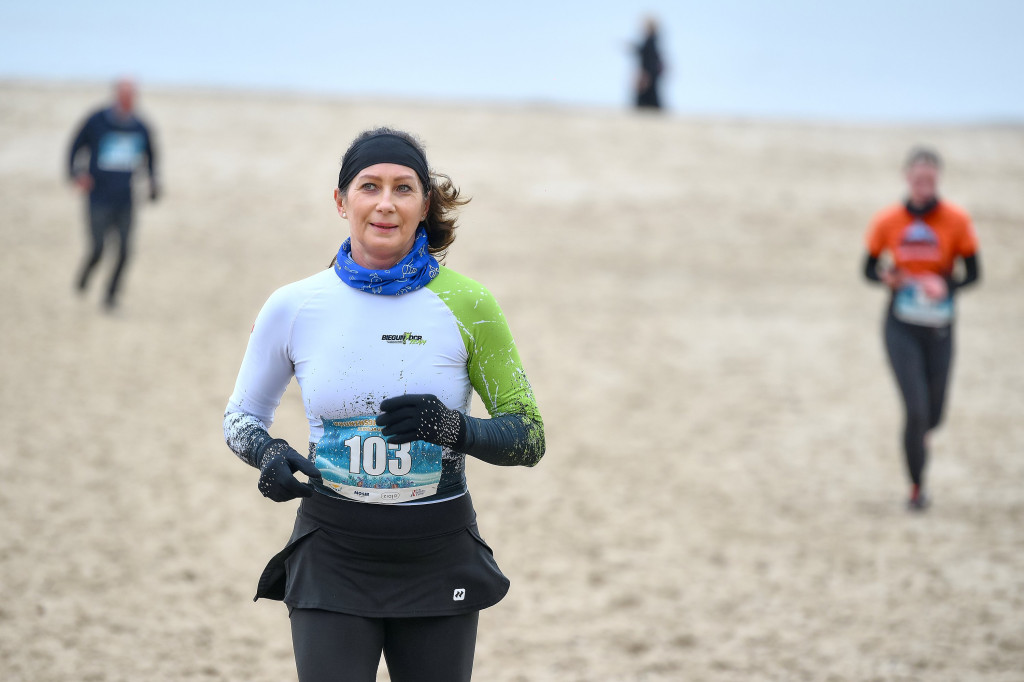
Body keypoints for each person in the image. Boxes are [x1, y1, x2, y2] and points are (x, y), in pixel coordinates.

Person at [223, 127, 545, 681]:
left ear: (425, 204)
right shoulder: (295, 305)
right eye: (369, 186)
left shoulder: (469, 304)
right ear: (341, 201)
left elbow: (530, 437)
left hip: (438, 552)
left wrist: (452, 428)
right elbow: (240, 418)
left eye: (404, 188)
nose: (386, 203)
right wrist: (268, 454)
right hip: (332, 550)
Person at [862, 146, 981, 511]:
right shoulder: (888, 221)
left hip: (940, 327)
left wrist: (946, 285)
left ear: (937, 179)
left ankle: (924, 433)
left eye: (929, 178)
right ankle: (917, 490)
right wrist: (890, 277)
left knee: (934, 414)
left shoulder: (956, 220)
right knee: (914, 410)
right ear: (906, 178)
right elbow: (868, 269)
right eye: (917, 177)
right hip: (900, 326)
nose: (923, 183)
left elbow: (974, 274)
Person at [67, 78, 159, 309]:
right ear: (117, 96)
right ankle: (85, 276)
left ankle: (110, 295)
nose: (129, 100)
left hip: (125, 198)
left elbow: (152, 157)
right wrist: (76, 174)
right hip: (98, 197)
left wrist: (152, 182)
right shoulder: (97, 121)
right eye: (125, 95)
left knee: (125, 250)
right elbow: (75, 146)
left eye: (133, 96)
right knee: (98, 248)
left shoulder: (140, 126)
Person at [633, 16, 665, 110]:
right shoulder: (653, 41)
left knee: (647, 99)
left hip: (648, 75)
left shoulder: (651, 41)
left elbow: (648, 57)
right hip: (649, 74)